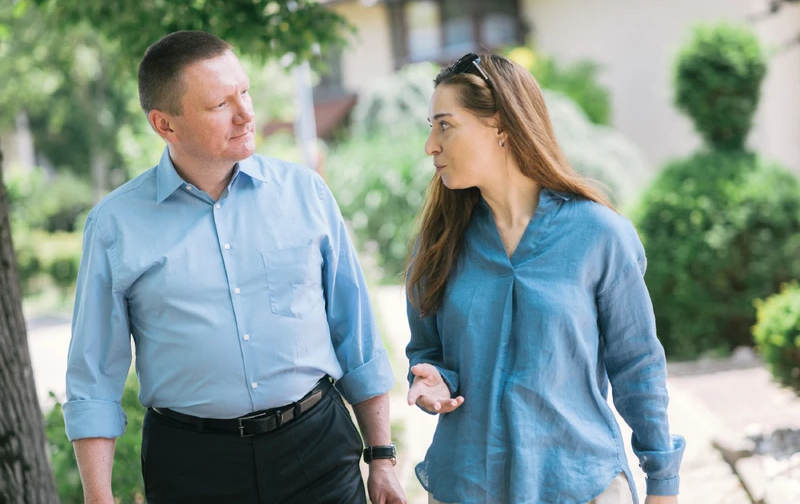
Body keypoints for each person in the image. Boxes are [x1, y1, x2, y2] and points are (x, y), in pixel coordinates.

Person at [64, 30, 406, 504]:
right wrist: (98, 498)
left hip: (317, 449)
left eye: (244, 91)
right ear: (165, 125)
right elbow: (94, 375)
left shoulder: (306, 193)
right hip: (192, 467)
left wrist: (382, 457)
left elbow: (357, 335)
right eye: (219, 104)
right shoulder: (114, 225)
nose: (246, 113)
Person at [404, 52, 685, 504]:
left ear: (500, 125)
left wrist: (663, 485)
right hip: (469, 486)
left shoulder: (599, 234)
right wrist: (433, 378)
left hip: (581, 485)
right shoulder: (437, 245)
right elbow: (427, 350)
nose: (430, 145)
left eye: (444, 125)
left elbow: (638, 366)